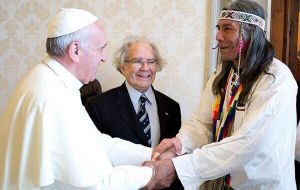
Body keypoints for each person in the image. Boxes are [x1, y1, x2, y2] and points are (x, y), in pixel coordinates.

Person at [144, 0, 298, 189]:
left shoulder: (275, 78)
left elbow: (248, 143)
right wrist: (178, 145)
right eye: (219, 28)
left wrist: (178, 166)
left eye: (227, 28)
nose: (218, 36)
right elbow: (202, 124)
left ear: (250, 33)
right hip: (222, 183)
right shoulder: (222, 73)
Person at [0, 8, 159, 190]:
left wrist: (152, 153)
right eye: (101, 49)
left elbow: (97, 142)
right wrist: (153, 173)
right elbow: (96, 184)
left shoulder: (50, 80)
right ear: (75, 50)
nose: (104, 58)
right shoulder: (55, 96)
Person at [85, 35, 183, 189]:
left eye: (151, 61)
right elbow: (94, 158)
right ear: (123, 67)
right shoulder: (98, 106)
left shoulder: (171, 107)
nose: (145, 68)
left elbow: (175, 159)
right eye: (137, 61)